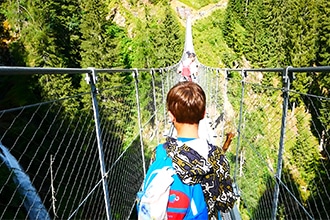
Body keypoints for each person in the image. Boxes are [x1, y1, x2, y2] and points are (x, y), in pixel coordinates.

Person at [138, 81, 236, 219]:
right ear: (203, 114)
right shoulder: (216, 156)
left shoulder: (161, 152)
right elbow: (225, 203)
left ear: (171, 115)